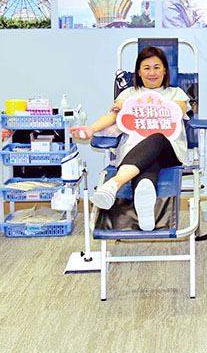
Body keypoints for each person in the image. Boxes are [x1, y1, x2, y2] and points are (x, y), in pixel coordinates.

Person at [70, 47, 190, 231]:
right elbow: (112, 115)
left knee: (156, 137)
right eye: (146, 68)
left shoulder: (176, 93)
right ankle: (145, 212)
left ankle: (113, 184)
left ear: (165, 70)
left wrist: (148, 107)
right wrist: (91, 129)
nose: (152, 73)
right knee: (147, 168)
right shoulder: (127, 95)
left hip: (169, 151)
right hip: (135, 152)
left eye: (157, 67)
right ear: (139, 72)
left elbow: (178, 110)